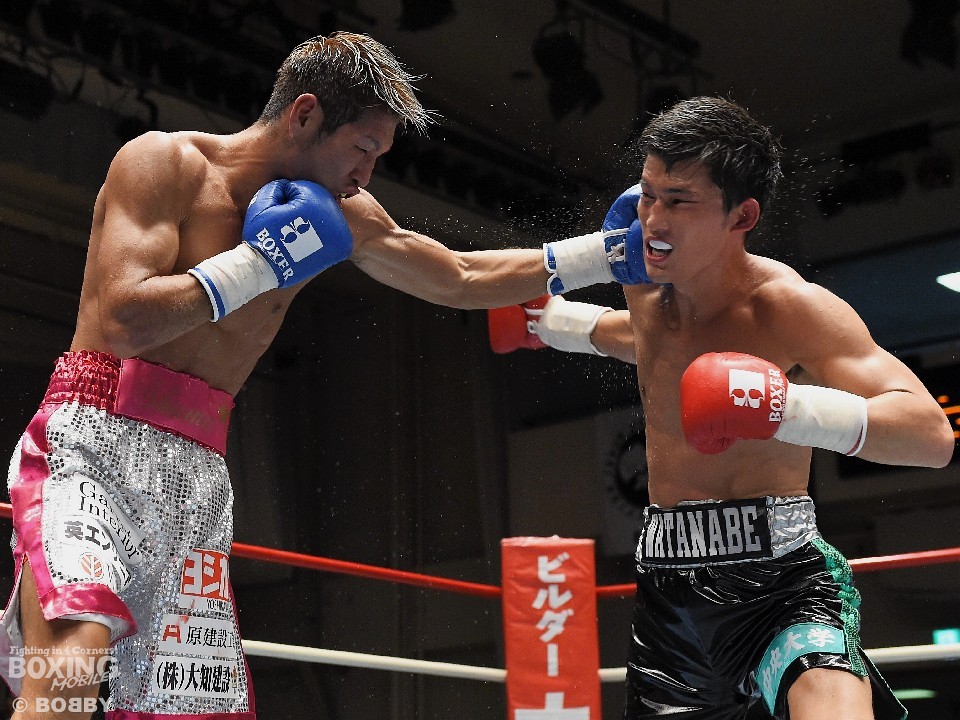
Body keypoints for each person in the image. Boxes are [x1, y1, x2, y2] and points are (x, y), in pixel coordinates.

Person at [0, 30, 649, 719]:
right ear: (305, 114)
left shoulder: (340, 212)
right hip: (98, 436)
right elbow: (124, 318)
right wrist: (258, 265)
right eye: (362, 148)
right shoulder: (166, 164)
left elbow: (458, 276)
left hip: (198, 468)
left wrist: (603, 255)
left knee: (185, 708)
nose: (365, 174)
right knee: (72, 657)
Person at [489, 96, 955, 719]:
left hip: (783, 585)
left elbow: (931, 435)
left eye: (680, 200)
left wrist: (783, 407)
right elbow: (633, 340)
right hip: (670, 601)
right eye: (648, 195)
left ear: (743, 215)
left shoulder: (788, 307)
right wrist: (547, 322)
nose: (654, 219)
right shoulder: (645, 295)